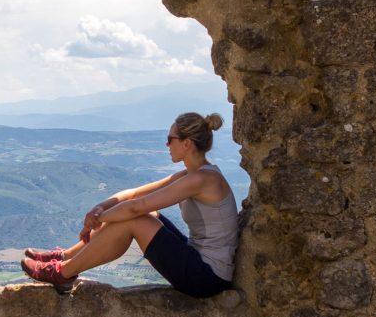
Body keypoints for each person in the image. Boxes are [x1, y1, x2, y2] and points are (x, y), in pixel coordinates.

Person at [20, 112, 239, 297]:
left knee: (135, 220)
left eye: (169, 138)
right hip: (199, 261)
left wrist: (98, 220)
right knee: (147, 214)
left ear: (187, 143)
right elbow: (134, 194)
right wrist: (99, 208)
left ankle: (63, 273)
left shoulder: (201, 180)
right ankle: (66, 257)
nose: (166, 144)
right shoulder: (192, 175)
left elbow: (136, 207)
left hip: (208, 277)